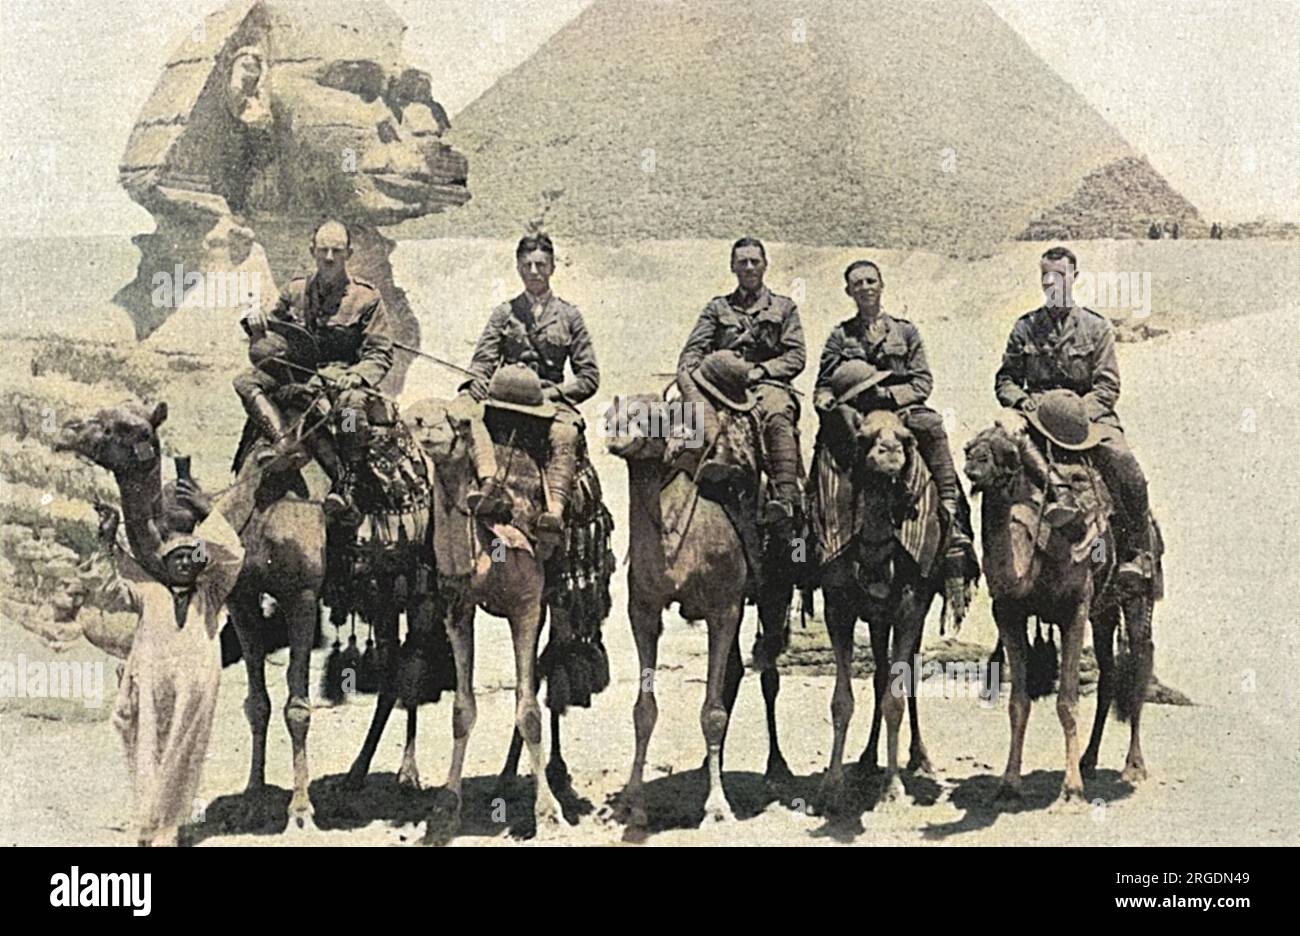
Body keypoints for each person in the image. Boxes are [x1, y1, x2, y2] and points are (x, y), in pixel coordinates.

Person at [67, 479, 245, 847]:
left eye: (188, 558)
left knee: (184, 753)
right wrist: (106, 540)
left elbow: (232, 555)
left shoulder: (210, 594)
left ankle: (169, 828)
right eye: (174, 558)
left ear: (197, 564)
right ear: (164, 564)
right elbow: (109, 587)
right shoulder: (149, 593)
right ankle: (148, 824)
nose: (182, 563)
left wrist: (206, 511)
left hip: (194, 689)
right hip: (150, 683)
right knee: (146, 750)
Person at [994, 246, 1153, 589]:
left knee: (1124, 463)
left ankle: (1136, 551)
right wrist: (1023, 404)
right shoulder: (1025, 328)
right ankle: (988, 560)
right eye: (1046, 277)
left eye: (1060, 277)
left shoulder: (1096, 328)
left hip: (1088, 420)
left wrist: (1079, 415)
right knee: (991, 457)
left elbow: (1108, 387)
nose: (1053, 284)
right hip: (1036, 417)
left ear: (1074, 278)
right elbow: (1005, 379)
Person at [233, 218, 393, 514]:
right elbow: (270, 335)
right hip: (300, 375)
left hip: (345, 380)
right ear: (312, 251)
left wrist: (357, 375)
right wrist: (254, 324)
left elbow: (380, 353)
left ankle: (347, 481)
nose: (329, 257)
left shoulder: (366, 298)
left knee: (349, 410)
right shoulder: (294, 292)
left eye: (337, 250)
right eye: (323, 250)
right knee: (246, 381)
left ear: (349, 253)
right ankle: (282, 442)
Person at [814, 259, 969, 548]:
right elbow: (823, 385)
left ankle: (952, 515)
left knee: (932, 424)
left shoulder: (905, 332)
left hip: (901, 411)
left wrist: (888, 397)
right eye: (857, 283)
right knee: (825, 444)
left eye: (871, 281)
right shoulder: (840, 336)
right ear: (848, 291)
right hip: (856, 412)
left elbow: (922, 382)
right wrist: (829, 405)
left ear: (881, 285)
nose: (865, 288)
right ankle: (807, 542)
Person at [457, 234, 600, 545]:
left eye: (541, 265)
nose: (534, 271)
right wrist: (473, 388)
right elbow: (482, 362)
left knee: (565, 434)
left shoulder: (569, 316)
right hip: (504, 401)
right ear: (518, 268)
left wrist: (548, 394)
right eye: (527, 265)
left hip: (550, 403)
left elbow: (589, 376)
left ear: (552, 268)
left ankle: (555, 512)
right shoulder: (504, 313)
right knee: (467, 422)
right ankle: (487, 488)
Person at [677, 237, 806, 531]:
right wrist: (698, 373)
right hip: (721, 386)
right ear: (732, 267)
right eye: (742, 262)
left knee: (777, 414)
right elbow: (693, 350)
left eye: (754, 261)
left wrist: (762, 370)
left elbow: (796, 356)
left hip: (766, 384)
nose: (749, 267)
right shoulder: (717, 308)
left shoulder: (784, 308)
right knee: (678, 419)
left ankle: (786, 497)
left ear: (765, 266)